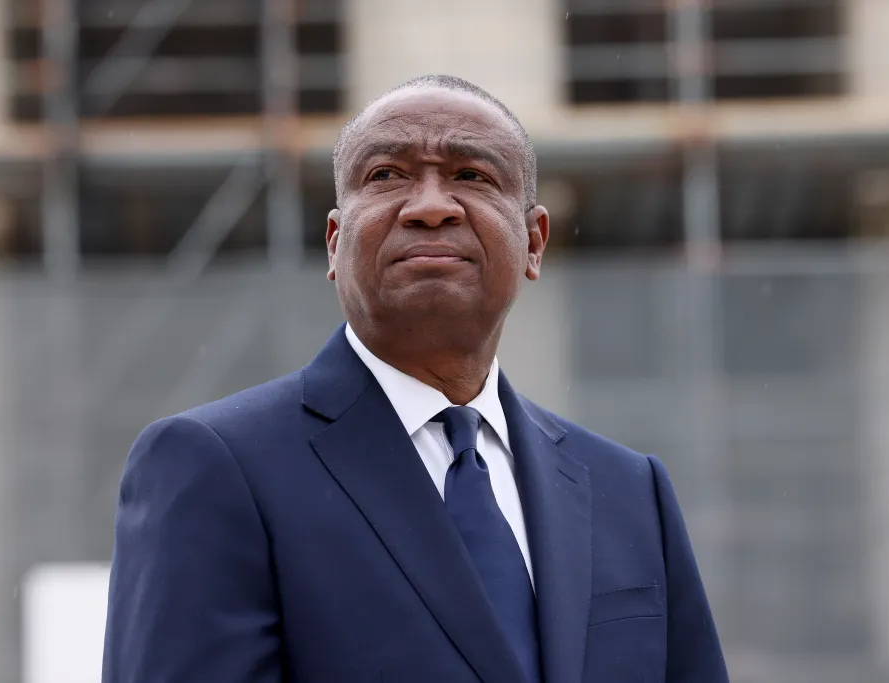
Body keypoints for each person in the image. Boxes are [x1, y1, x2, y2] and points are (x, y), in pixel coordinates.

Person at [102, 74, 728, 683]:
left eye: (471, 175)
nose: (430, 207)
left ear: (534, 242)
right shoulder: (216, 466)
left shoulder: (629, 491)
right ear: (334, 242)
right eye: (386, 175)